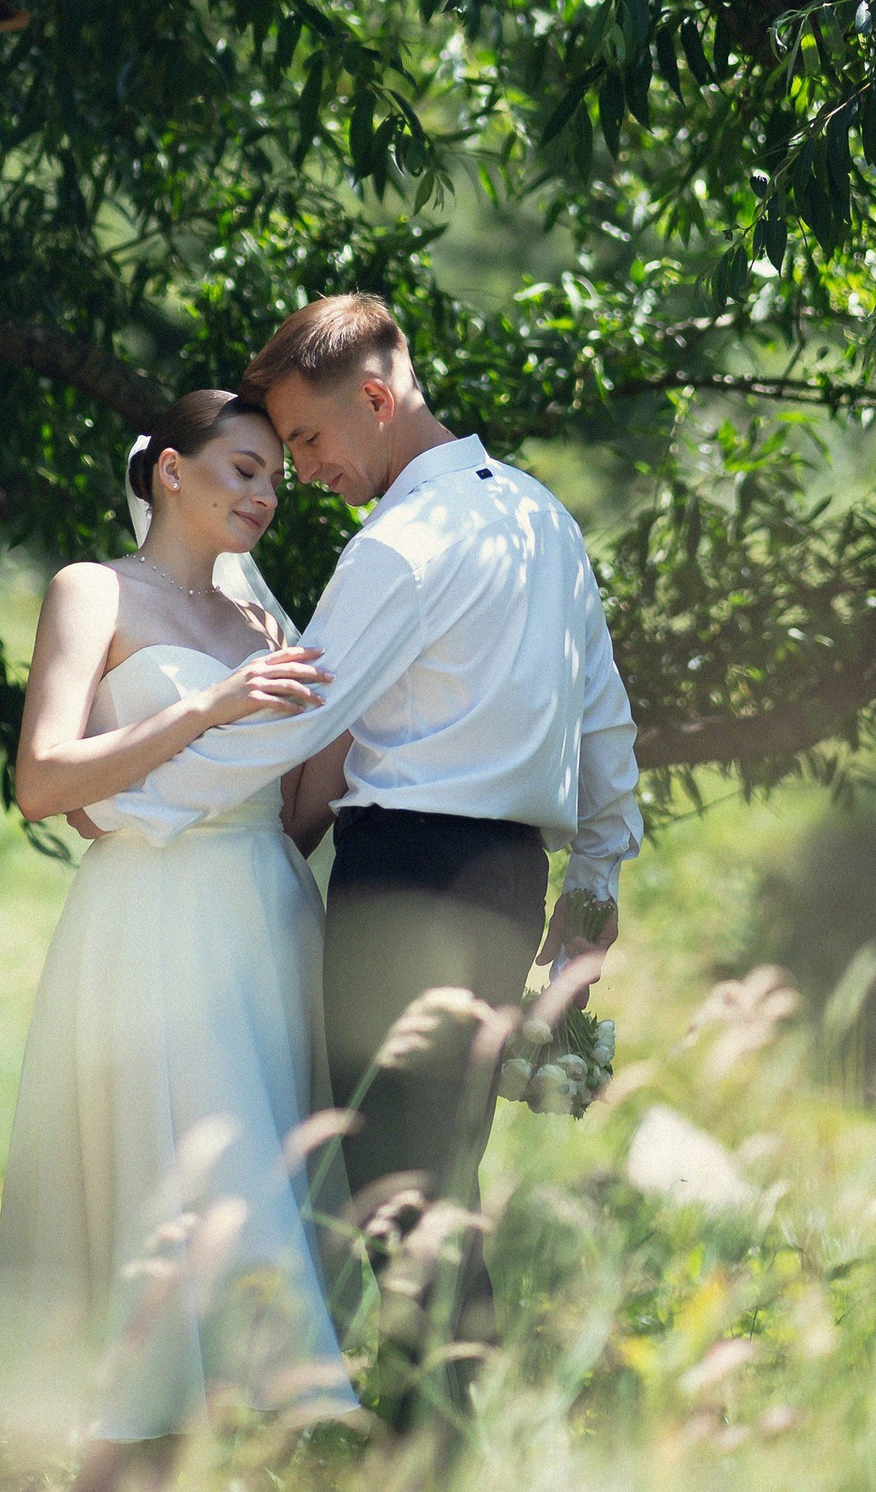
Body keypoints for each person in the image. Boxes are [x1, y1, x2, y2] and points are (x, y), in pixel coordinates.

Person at [155, 293, 641, 1409]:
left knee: (394, 1184)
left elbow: (294, 724)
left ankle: (434, 1461)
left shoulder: (403, 544)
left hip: (405, 878)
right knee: (443, 1170)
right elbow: (602, 715)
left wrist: (149, 802)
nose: (304, 471)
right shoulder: (540, 519)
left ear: (376, 399)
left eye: (313, 440)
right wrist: (596, 877)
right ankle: (448, 1444)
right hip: (509, 881)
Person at [0, 388, 357, 1492]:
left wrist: (341, 715)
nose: (262, 493)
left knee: (263, 1196)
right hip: (146, 916)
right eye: (242, 468)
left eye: (275, 480)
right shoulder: (93, 589)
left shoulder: (266, 612)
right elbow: (43, 782)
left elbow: (292, 810)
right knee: (155, 1192)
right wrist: (209, 706)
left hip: (260, 917)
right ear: (170, 473)